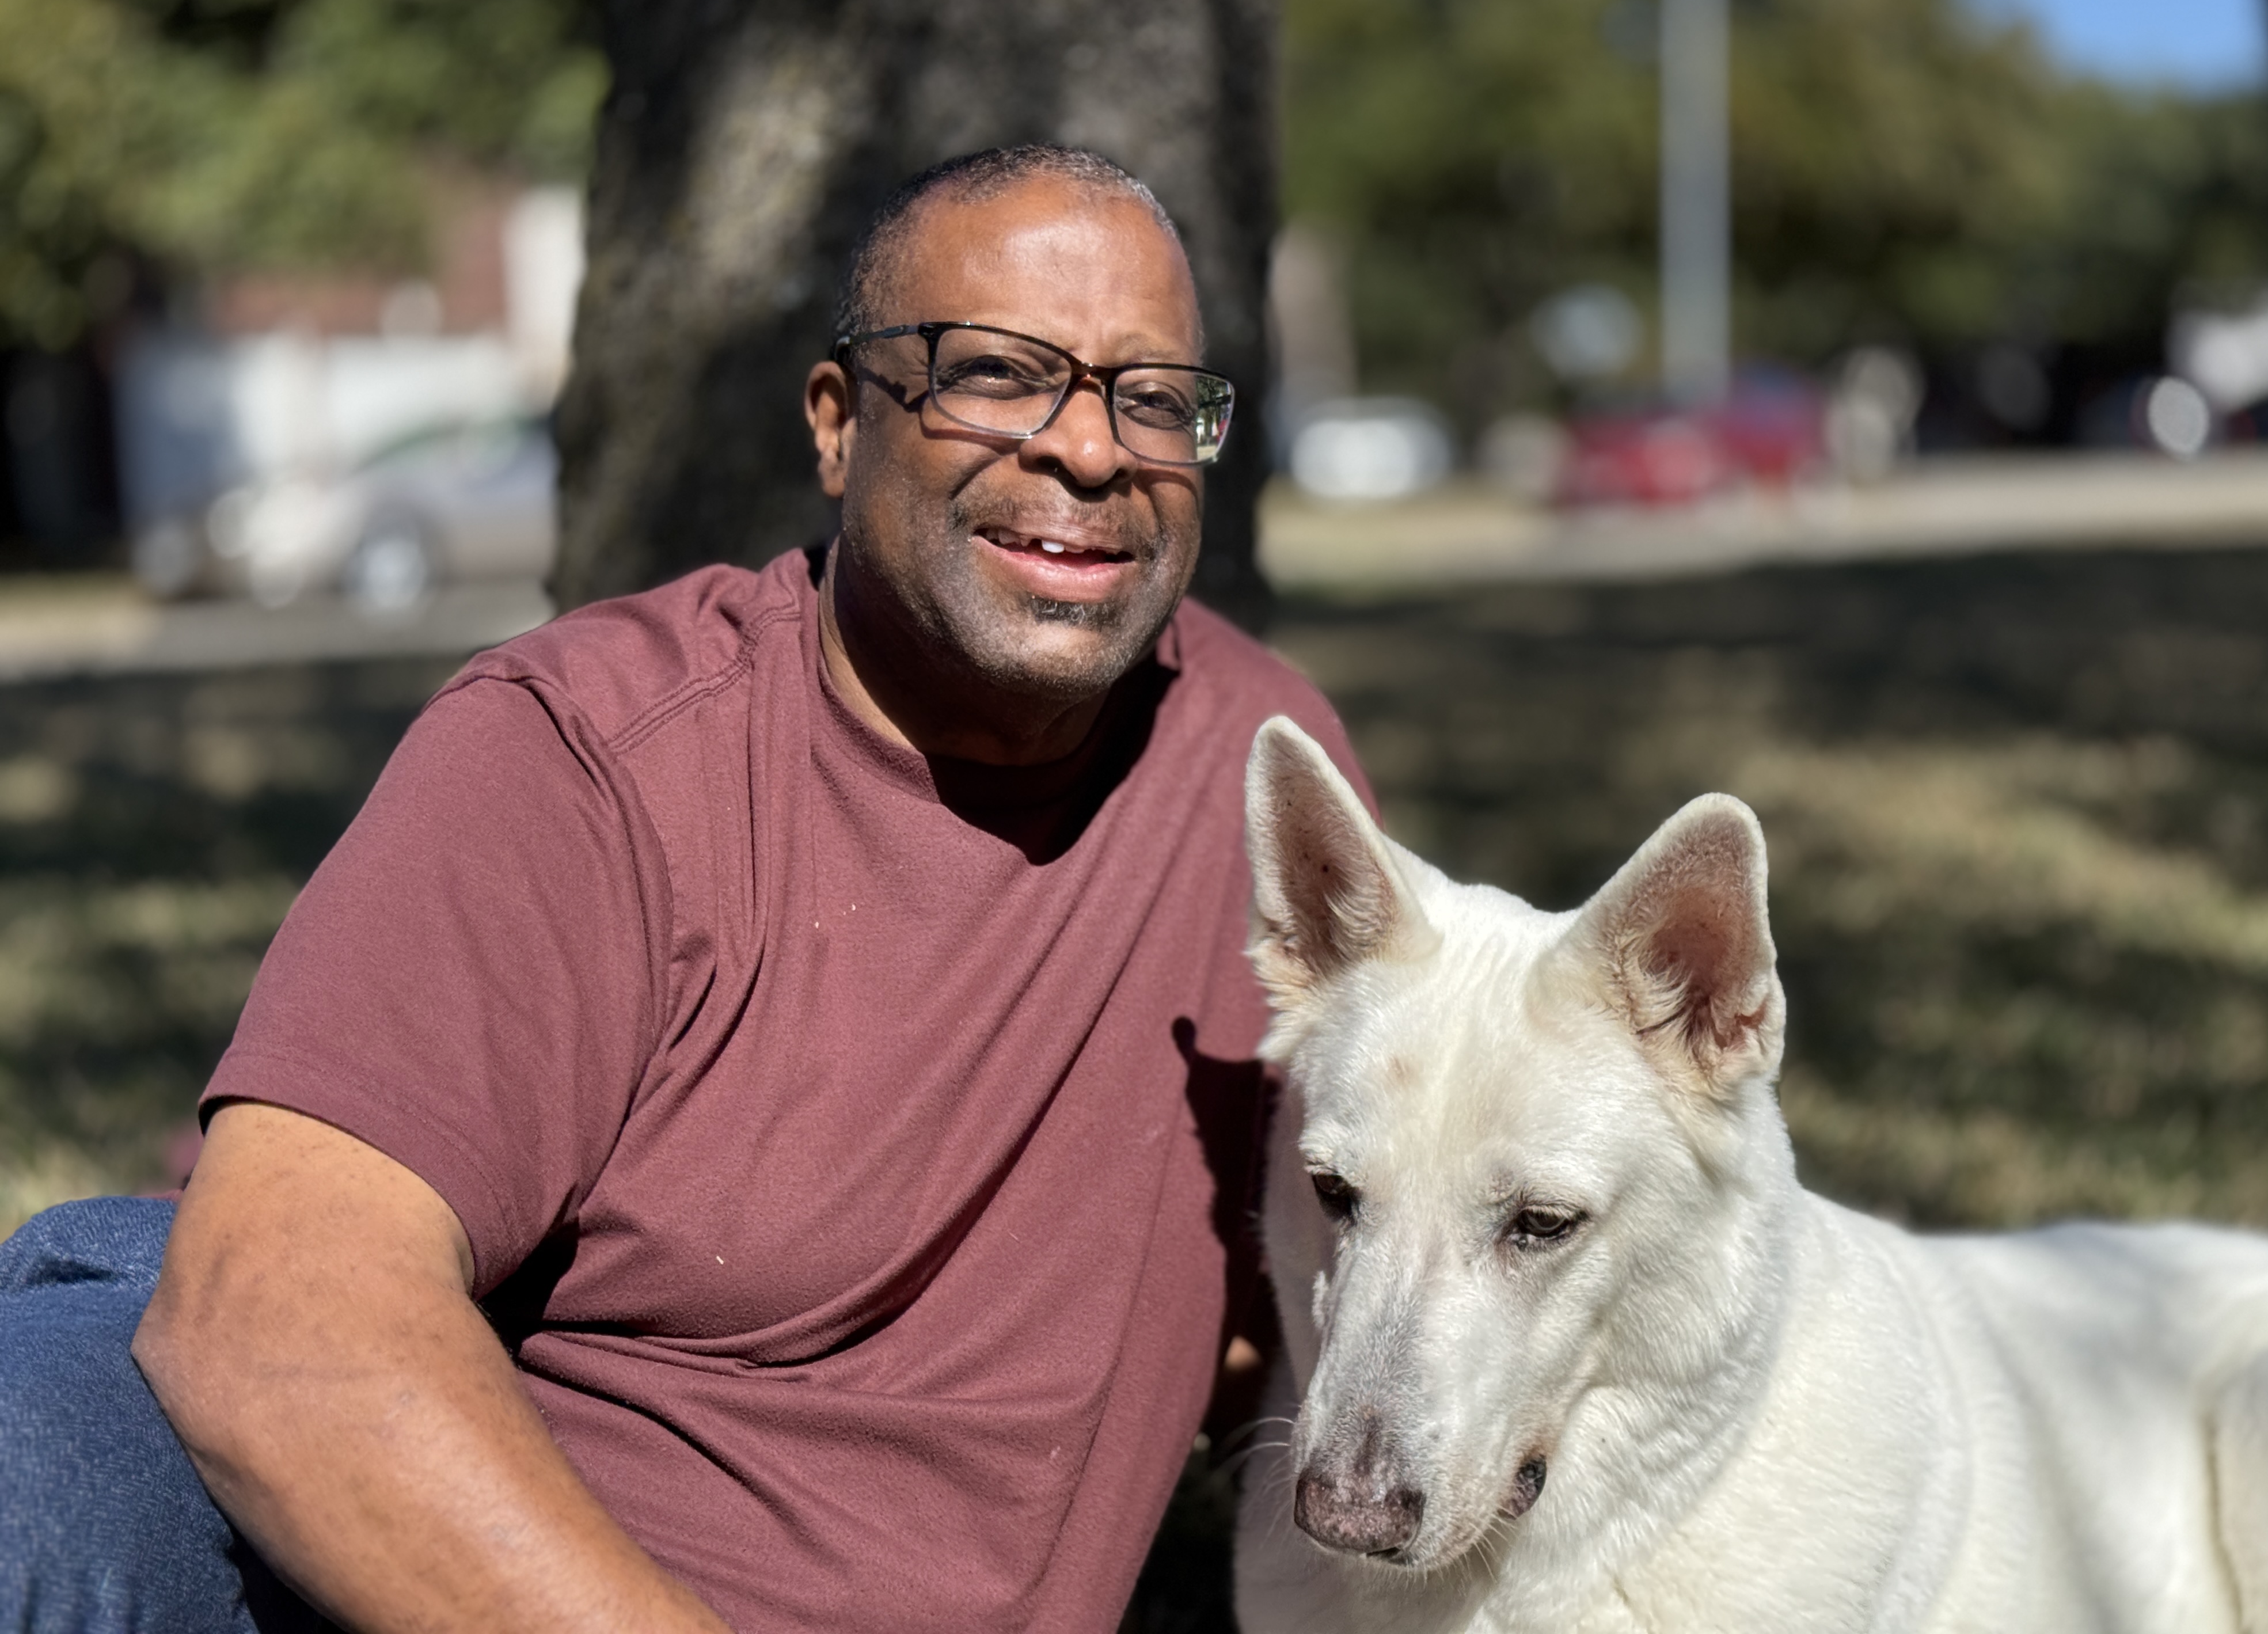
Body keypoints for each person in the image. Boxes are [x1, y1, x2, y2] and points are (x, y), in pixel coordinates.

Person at [0, 144, 1369, 1633]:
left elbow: (1350, 1281)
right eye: (997, 374)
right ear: (841, 427)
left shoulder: (1259, 773)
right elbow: (273, 1317)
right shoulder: (594, 749)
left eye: (1153, 395)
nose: (1091, 452)